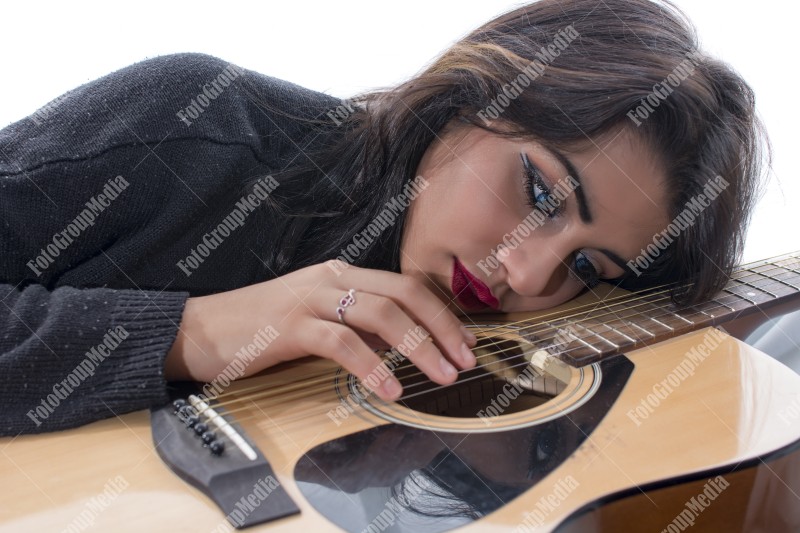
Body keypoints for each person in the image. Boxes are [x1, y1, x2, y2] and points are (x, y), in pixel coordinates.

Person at [0, 0, 765, 436]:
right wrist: (190, 332)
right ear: (470, 100)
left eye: (589, 266)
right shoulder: (191, 123)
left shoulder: (529, 356)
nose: (530, 274)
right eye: (540, 193)